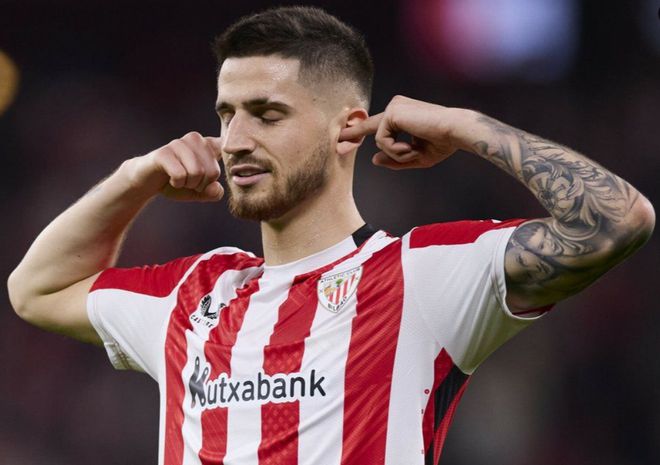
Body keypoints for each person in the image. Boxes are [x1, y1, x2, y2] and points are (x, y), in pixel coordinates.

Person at [7, 6, 655, 465]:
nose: (235, 140)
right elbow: (36, 290)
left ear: (347, 127)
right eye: (226, 114)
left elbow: (616, 220)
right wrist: (134, 178)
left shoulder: (420, 276)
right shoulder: (194, 294)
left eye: (267, 114)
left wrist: (462, 126)